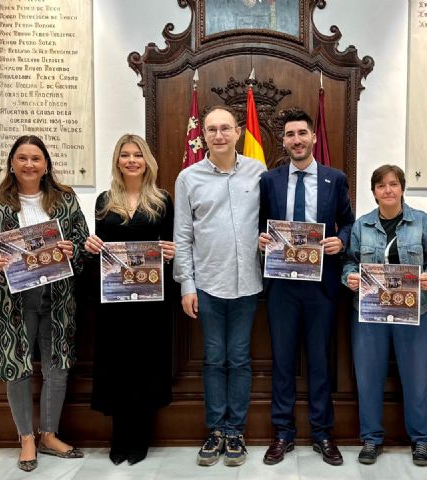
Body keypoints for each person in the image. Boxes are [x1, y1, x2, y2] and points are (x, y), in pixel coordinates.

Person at [0, 135, 88, 472]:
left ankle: (49, 434)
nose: (29, 164)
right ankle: (26, 439)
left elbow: (81, 241)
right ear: (11, 163)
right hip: (13, 300)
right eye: (22, 158)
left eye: (36, 158)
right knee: (17, 366)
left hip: (58, 296)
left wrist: (72, 250)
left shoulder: (65, 200)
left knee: (57, 366)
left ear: (46, 165)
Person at [258, 108, 354, 466]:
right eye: (290, 135)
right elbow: (259, 224)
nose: (296, 140)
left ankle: (322, 433)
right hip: (281, 284)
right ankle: (282, 433)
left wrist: (342, 241)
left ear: (313, 137)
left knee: (319, 361)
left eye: (302, 133)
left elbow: (348, 222)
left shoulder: (335, 179)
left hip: (321, 286)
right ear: (283, 142)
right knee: (282, 361)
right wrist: (261, 239)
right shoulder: (269, 180)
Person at [173, 105, 266, 467]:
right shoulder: (188, 178)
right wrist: (187, 284)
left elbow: (272, 224)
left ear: (238, 132)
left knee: (239, 359)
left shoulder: (259, 172)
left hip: (249, 285)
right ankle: (215, 431)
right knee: (213, 359)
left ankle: (236, 432)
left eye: (225, 128)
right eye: (211, 129)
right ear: (204, 135)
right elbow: (182, 235)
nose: (219, 135)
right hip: (207, 285)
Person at [342, 164, 427, 466]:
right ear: (373, 192)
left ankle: (420, 440)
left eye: (393, 184)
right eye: (381, 186)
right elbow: (349, 262)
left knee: (415, 379)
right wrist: (349, 277)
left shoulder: (422, 222)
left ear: (402, 188)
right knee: (368, 378)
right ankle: (371, 439)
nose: (387, 190)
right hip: (370, 314)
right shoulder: (362, 226)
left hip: (414, 312)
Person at [84, 134, 176, 466]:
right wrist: (91, 247)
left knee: (145, 365)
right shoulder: (104, 201)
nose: (132, 160)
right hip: (115, 300)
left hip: (151, 300)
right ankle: (119, 437)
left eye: (138, 155)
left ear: (147, 161)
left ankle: (140, 437)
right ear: (117, 161)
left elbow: (171, 246)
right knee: (117, 365)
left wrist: (171, 252)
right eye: (125, 155)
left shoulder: (162, 201)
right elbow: (100, 249)